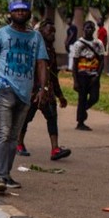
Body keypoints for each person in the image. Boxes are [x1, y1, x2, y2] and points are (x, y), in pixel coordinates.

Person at [0, 0, 48, 193]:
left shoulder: (36, 38)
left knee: (14, 136)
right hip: (4, 88)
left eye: (23, 10)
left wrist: (42, 88)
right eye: (16, 10)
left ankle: (6, 175)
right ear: (10, 12)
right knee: (4, 132)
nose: (20, 13)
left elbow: (42, 64)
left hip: (25, 93)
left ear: (28, 13)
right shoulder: (0, 34)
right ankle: (0, 176)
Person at [17, 20, 71, 161]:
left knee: (52, 117)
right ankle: (19, 144)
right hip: (33, 90)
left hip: (47, 91)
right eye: (49, 31)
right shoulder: (33, 49)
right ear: (41, 33)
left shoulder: (51, 51)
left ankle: (55, 149)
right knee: (26, 117)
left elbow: (53, 75)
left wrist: (60, 95)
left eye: (54, 31)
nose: (53, 34)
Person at [69, 20, 105, 130]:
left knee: (95, 98)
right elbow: (75, 63)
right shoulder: (78, 44)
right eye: (87, 27)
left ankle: (82, 111)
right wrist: (75, 80)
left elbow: (102, 61)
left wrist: (97, 76)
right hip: (82, 75)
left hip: (93, 75)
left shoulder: (98, 43)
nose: (89, 30)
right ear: (83, 29)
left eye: (91, 28)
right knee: (82, 98)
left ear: (94, 30)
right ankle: (80, 122)